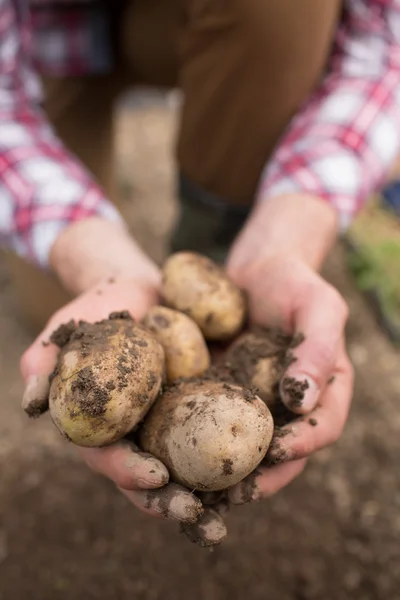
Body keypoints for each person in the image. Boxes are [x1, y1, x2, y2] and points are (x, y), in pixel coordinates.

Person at [2, 0, 399, 544]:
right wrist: (90, 253)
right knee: (44, 307)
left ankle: (225, 236)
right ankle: (128, 256)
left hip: (201, 20)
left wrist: (292, 232)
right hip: (45, 43)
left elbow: (384, 51)